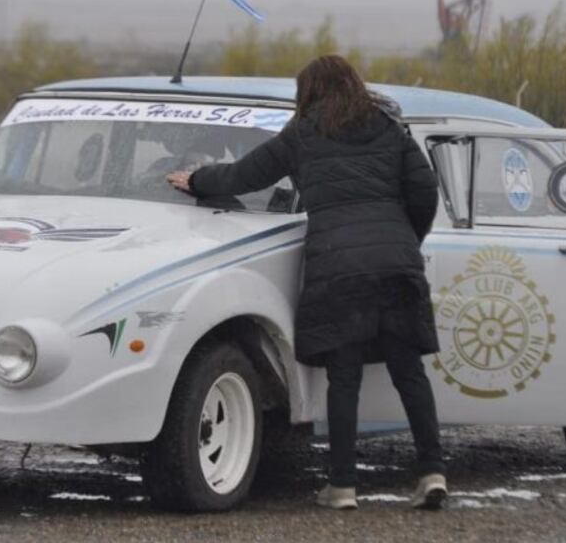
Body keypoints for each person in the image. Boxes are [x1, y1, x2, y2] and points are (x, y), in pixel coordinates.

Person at [166, 55, 447, 510]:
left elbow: (246, 174)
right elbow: (425, 190)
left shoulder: (304, 132)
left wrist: (196, 179)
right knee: (410, 373)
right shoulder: (389, 127)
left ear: (309, 92)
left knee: (344, 379)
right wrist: (405, 239)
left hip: (337, 267)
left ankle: (343, 487)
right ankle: (433, 474)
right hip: (397, 263)